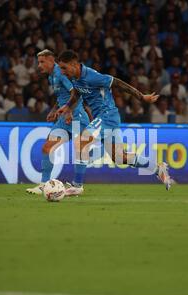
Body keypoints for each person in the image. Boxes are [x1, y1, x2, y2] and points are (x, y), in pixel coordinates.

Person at [56, 50, 174, 190]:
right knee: (119, 158)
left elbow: (117, 83)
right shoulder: (76, 78)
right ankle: (157, 168)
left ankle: (77, 185)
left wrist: (141, 97)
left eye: (64, 68)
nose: (62, 72)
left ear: (74, 64)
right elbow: (77, 93)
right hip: (109, 117)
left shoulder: (92, 76)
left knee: (81, 142)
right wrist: (68, 107)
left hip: (106, 115)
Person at [26, 49, 91, 196]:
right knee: (47, 148)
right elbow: (62, 96)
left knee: (81, 150)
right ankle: (44, 184)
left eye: (42, 62)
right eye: (38, 62)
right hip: (63, 119)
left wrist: (68, 111)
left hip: (76, 117)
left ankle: (78, 186)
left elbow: (76, 93)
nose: (39, 65)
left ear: (51, 60)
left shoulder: (61, 73)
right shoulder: (51, 77)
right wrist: (54, 109)